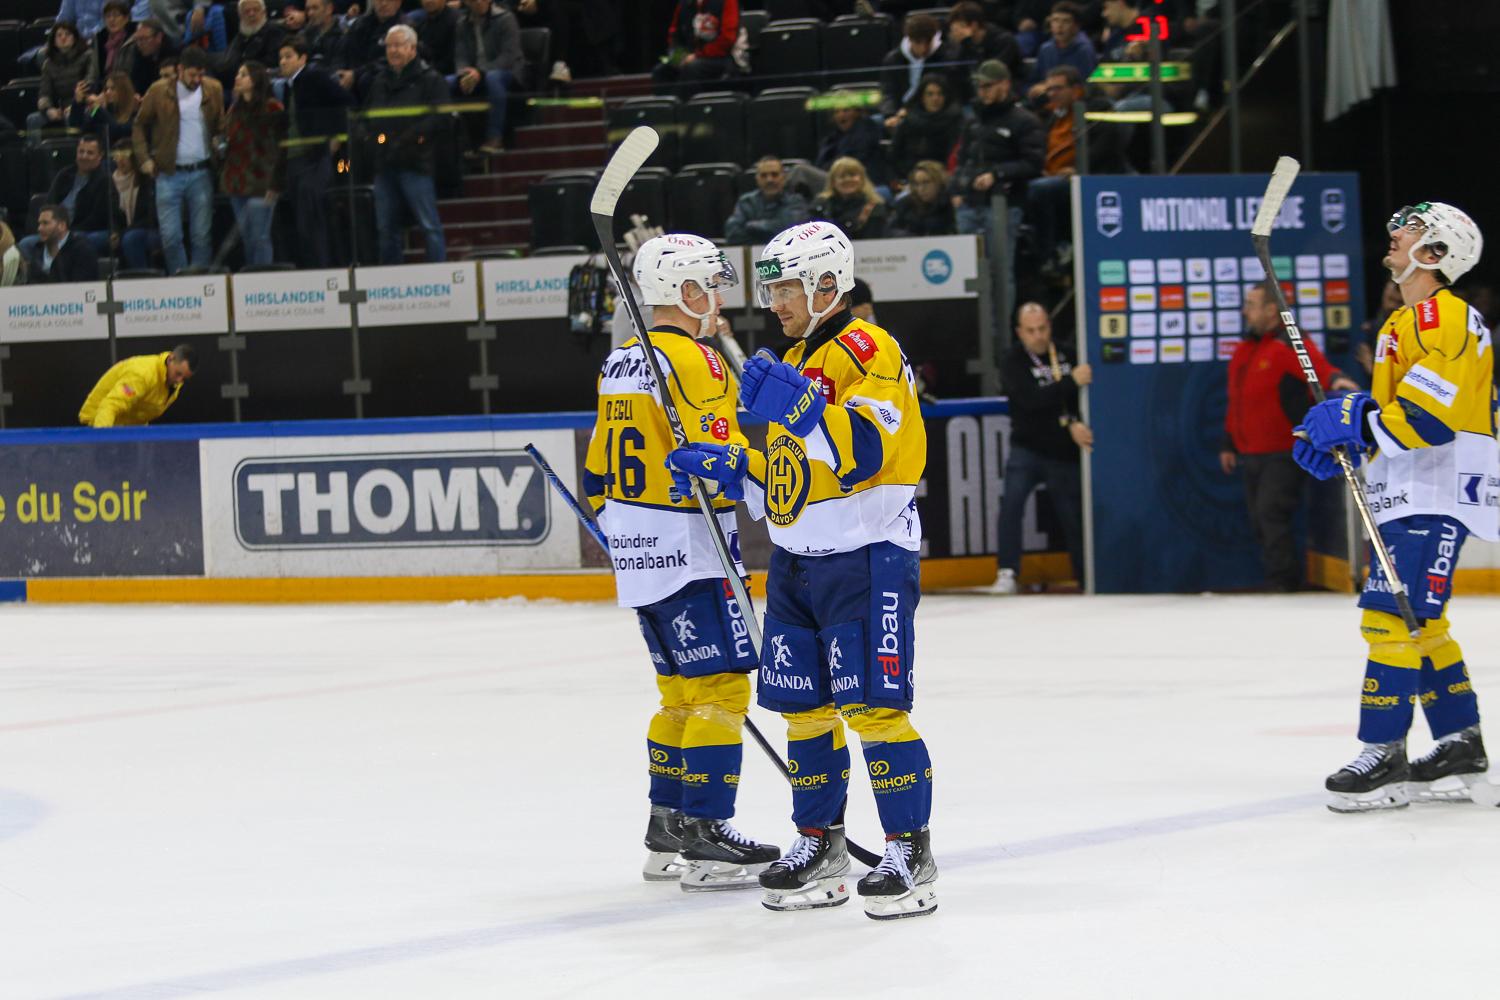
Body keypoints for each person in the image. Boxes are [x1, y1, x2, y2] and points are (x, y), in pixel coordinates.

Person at [668, 220, 938, 920]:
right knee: (803, 709)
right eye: (771, 288)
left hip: (866, 558)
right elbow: (792, 474)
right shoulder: (794, 357)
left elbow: (867, 450)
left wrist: (804, 408)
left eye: (786, 287)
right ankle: (820, 842)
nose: (775, 302)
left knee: (875, 710)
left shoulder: (869, 349)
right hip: (796, 562)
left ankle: (909, 852)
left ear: (826, 283)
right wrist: (739, 468)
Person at [581, 234, 780, 889]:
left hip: (639, 554)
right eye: (711, 286)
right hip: (694, 551)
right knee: (721, 691)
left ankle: (666, 830)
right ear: (686, 291)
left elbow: (595, 474)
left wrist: (630, 531)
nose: (719, 297)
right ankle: (706, 835)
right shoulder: (698, 361)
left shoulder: (620, 361)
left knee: (678, 693)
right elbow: (719, 464)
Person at [1294, 202, 1499, 812]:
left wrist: (1357, 423)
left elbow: (1429, 419)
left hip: (1438, 490)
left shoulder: (1446, 316)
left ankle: (1383, 753)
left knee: (1388, 619)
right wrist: (1344, 437)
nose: (1394, 234)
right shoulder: (1401, 323)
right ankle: (1460, 744)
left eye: (1410, 230)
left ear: (1435, 253)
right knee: (1422, 623)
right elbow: (1396, 417)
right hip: (1410, 487)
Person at [1219, 281, 1357, 592]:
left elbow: (1319, 369)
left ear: (1271, 310)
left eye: (1251, 304)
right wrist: (1228, 443)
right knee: (1259, 517)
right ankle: (1278, 576)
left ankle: (1283, 580)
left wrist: (1337, 380)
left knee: (1271, 513)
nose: (1244, 311)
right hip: (1250, 451)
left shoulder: (1289, 344)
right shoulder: (1244, 350)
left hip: (1283, 451)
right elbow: (1235, 400)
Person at [994, 302, 1091, 594]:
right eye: (1031, 330)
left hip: (1062, 451)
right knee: (1011, 506)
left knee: (1073, 516)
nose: (1038, 335)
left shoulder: (1069, 354)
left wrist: (1074, 421)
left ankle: (1086, 575)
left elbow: (1076, 403)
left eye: (1042, 328)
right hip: (1028, 448)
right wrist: (1071, 382)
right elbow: (1030, 401)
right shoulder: (1012, 361)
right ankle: (1007, 571)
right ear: (1020, 332)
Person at [950, 59, 1043, 301]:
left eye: (988, 86)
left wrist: (997, 174)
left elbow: (1033, 164)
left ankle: (1000, 325)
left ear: (1005, 84)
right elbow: (962, 159)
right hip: (969, 204)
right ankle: (975, 323)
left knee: (1000, 271)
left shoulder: (1024, 120)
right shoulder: (973, 120)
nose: (982, 92)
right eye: (980, 86)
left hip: (1004, 204)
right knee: (967, 272)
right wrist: (956, 189)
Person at [133, 45, 224, 274]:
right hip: (167, 173)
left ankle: (201, 281)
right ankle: (180, 279)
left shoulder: (214, 88)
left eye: (201, 74)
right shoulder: (158, 90)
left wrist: (220, 142)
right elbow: (139, 125)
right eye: (193, 74)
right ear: (180, 69)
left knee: (201, 235)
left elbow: (220, 125)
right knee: (171, 236)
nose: (197, 80)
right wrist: (144, 159)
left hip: (202, 171)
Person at [365, 24, 448, 263]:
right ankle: (392, 277)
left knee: (428, 225)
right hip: (384, 162)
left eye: (399, 45)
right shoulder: (379, 81)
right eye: (389, 46)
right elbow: (369, 116)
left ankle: (438, 273)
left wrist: (410, 137)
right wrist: (371, 137)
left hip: (416, 161)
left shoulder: (430, 79)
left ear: (412, 48)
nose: (393, 50)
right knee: (385, 228)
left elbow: (440, 117)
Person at [277, 36, 349, 268]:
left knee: (314, 216)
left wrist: (337, 136)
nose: (283, 62)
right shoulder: (289, 87)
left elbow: (344, 101)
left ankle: (324, 268)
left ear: (303, 58)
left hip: (315, 158)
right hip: (295, 160)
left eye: (288, 56)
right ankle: (312, 267)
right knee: (303, 221)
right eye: (281, 58)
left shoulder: (314, 77)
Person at [221, 60, 286, 267]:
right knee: (247, 237)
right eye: (238, 74)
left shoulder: (272, 107)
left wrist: (276, 184)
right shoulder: (234, 109)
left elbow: (282, 148)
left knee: (260, 236)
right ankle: (251, 279)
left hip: (262, 183)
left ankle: (263, 278)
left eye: (243, 74)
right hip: (236, 182)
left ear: (256, 79)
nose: (237, 78)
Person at [17, 134, 116, 261]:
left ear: (100, 156)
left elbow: (97, 218)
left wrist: (66, 232)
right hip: (56, 229)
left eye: (90, 153)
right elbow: (49, 205)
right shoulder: (64, 174)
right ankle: (40, 272)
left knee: (70, 242)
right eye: (81, 151)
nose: (84, 156)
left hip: (85, 231)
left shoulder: (104, 180)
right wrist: (52, 227)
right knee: (25, 244)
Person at [453, 0, 523, 157]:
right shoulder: (462, 24)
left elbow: (508, 57)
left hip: (507, 74)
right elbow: (460, 56)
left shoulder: (505, 18)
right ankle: (459, 142)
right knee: (446, 83)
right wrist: (464, 74)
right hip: (475, 74)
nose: (478, 2)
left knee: (493, 78)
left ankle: (495, 137)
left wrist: (480, 72)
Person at [78, 343, 197, 427]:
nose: (179, 381)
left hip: (126, 430)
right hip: (96, 425)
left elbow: (141, 413)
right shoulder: (142, 374)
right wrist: (103, 441)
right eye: (178, 374)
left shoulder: (174, 382)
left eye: (184, 379)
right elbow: (110, 406)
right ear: (171, 359)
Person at [887, 72, 962, 183]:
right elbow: (894, 154)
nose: (935, 98)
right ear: (922, 97)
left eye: (940, 94)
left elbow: (954, 157)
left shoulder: (955, 121)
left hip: (942, 178)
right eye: (930, 94)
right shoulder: (909, 120)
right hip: (909, 177)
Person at [939, 1, 1022, 101]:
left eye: (959, 28)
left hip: (1006, 95)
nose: (956, 33)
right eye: (954, 30)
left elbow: (990, 72)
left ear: (974, 25)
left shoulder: (1004, 41)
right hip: (974, 96)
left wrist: (967, 43)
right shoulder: (964, 43)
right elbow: (956, 71)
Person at [651, 0, 738, 95]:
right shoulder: (684, 3)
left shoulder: (727, 2)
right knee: (660, 70)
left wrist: (697, 55)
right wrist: (678, 56)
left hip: (718, 58)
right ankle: (664, 104)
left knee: (691, 68)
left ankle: (679, 104)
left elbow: (727, 39)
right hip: (688, 55)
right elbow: (674, 35)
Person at [30, 22, 98, 142]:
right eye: (59, 35)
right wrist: (48, 110)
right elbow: (44, 93)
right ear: (54, 41)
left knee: (71, 117)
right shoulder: (48, 64)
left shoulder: (88, 56)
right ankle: (35, 152)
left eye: (67, 34)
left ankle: (74, 151)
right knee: (33, 119)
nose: (63, 38)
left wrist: (75, 106)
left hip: (86, 104)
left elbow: (90, 83)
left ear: (75, 38)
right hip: (61, 108)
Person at [723, 156, 810, 249]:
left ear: (784, 177)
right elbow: (732, 234)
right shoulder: (746, 201)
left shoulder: (796, 202)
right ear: (757, 179)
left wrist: (751, 226)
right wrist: (772, 234)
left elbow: (791, 230)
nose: (769, 180)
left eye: (774, 174)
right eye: (764, 175)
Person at [815, 102, 891, 194]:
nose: (841, 115)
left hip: (857, 181)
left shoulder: (866, 130)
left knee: (801, 171)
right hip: (833, 179)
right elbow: (820, 163)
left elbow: (848, 160)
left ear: (857, 112)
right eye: (836, 112)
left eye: (846, 110)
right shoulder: (834, 137)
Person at [1026, 1, 1096, 100]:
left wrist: (1050, 89)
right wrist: (1033, 89)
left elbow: (1087, 87)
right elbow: (1034, 80)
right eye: (1055, 20)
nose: (1059, 26)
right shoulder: (1045, 49)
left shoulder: (1084, 50)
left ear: (1076, 27)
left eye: (1066, 21)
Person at [879, 13, 942, 118]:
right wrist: (890, 115)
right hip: (899, 112)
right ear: (909, 40)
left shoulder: (942, 56)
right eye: (918, 42)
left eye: (928, 42)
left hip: (931, 113)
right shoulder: (893, 60)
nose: (923, 48)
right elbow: (888, 93)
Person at [811, 156, 888, 241]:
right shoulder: (821, 203)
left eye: (852, 175)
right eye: (842, 176)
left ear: (862, 179)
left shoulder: (874, 206)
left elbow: (875, 242)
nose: (847, 179)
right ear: (833, 181)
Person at [110, 146, 162, 269]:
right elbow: (111, 213)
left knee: (131, 239)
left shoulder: (147, 180)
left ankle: (142, 276)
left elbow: (151, 216)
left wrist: (122, 233)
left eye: (125, 156)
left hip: (150, 229)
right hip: (121, 231)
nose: (120, 160)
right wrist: (115, 232)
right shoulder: (110, 181)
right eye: (117, 156)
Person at [216, 0, 287, 87]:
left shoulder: (274, 31)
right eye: (247, 11)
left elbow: (272, 61)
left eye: (256, 10)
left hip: (261, 81)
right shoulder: (241, 34)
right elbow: (228, 61)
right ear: (240, 16)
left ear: (264, 12)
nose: (251, 14)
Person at [26, 204, 102, 284]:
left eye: (45, 223)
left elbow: (83, 285)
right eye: (39, 224)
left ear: (62, 225)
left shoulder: (82, 249)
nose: (39, 228)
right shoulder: (38, 250)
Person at [68, 69, 139, 147]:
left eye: (112, 89)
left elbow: (117, 131)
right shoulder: (101, 111)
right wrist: (78, 103)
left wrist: (99, 109)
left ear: (123, 91)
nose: (108, 92)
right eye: (106, 89)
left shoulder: (135, 113)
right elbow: (79, 129)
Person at [888, 160, 956, 237]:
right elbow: (889, 230)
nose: (921, 189)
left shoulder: (950, 204)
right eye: (917, 184)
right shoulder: (905, 204)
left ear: (939, 182)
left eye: (926, 182)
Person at [116, 19, 174, 97]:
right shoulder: (138, 52)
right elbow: (136, 81)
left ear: (159, 37)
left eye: (144, 39)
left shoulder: (173, 54)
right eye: (137, 39)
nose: (140, 44)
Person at [410, 0, 460, 75]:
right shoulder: (422, 23)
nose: (428, 1)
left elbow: (451, 61)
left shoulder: (456, 21)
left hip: (447, 74)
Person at [93, 0, 137, 77]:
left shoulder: (134, 39)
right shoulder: (100, 38)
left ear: (126, 18)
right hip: (104, 82)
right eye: (108, 16)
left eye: (116, 15)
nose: (111, 20)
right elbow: (94, 70)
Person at [298, 0, 345, 65]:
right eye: (308, 9)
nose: (310, 13)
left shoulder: (342, 34)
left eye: (315, 8)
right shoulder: (305, 33)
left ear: (329, 9)